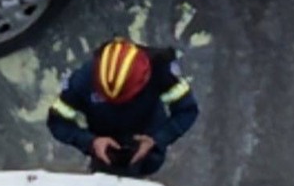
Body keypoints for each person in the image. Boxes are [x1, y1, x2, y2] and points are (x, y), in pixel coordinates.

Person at [47, 37, 199, 178]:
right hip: (104, 154)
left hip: (148, 148)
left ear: (145, 77)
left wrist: (157, 140)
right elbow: (58, 120)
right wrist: (91, 142)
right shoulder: (82, 80)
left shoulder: (160, 71)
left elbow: (186, 110)